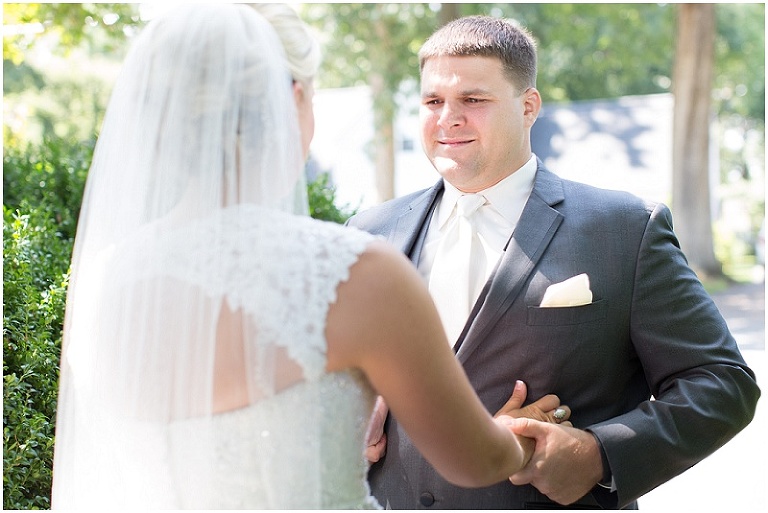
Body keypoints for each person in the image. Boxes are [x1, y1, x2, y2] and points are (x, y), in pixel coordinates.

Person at [49, 5, 572, 509]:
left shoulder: (102, 277)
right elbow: (473, 460)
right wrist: (520, 439)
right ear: (294, 99)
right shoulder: (353, 275)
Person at [348, 15, 761, 509]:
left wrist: (596, 454)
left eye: (473, 100)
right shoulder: (369, 233)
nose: (447, 118)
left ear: (528, 107)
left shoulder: (624, 228)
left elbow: (721, 382)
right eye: (433, 101)